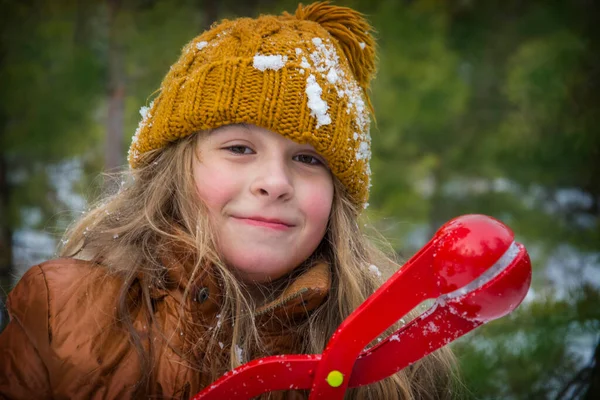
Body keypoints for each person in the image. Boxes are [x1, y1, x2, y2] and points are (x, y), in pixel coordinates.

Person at [0, 2, 458, 399]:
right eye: (240, 148)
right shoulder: (62, 313)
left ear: (339, 197)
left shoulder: (394, 356)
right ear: (176, 171)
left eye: (307, 158)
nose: (275, 182)